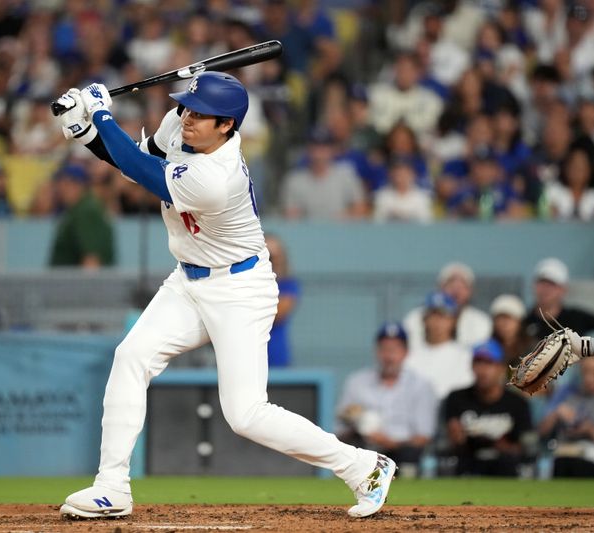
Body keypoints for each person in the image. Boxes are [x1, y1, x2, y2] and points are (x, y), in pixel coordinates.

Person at [53, 73, 396, 519]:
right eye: (188, 108)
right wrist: (89, 134)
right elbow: (138, 161)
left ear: (227, 127)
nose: (188, 118)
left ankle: (364, 466)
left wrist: (99, 116)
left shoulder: (218, 177)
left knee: (246, 414)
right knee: (131, 356)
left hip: (240, 289)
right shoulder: (182, 123)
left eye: (201, 114)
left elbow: (146, 175)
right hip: (188, 280)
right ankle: (112, 486)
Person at [336, 321, 438, 476]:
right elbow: (340, 429)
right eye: (384, 349)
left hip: (402, 454)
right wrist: (355, 422)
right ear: (376, 351)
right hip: (365, 451)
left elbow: (424, 436)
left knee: (409, 455)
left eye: (394, 349)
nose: (389, 356)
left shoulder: (420, 385)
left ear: (405, 352)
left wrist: (391, 443)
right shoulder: (357, 382)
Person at [443, 339, 534, 477]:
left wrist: (504, 446)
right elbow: (452, 439)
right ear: (472, 366)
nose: (483, 370)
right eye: (478, 363)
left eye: (489, 363)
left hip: (505, 469)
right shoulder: (457, 398)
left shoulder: (517, 403)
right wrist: (457, 436)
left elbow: (527, 446)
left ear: (501, 368)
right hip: (468, 466)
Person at [537, 356, 594, 478]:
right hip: (565, 451)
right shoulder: (566, 393)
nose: (589, 378)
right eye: (585, 371)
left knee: (581, 465)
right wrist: (556, 414)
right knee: (562, 462)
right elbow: (541, 431)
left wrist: (592, 431)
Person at [523, 258, 594, 359]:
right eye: (542, 283)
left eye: (552, 284)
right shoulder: (524, 321)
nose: (546, 289)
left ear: (563, 289)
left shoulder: (576, 317)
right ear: (534, 286)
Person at [281, 128, 368, 220]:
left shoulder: (346, 174)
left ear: (332, 149)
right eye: (315, 146)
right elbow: (291, 216)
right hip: (308, 232)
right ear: (308, 149)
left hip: (342, 231)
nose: (319, 153)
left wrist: (342, 218)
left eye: (324, 147)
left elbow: (360, 208)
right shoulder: (295, 180)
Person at [403, 262, 492, 350]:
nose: (456, 292)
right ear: (439, 287)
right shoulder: (415, 318)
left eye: (462, 287)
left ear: (470, 291)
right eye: (450, 285)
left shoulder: (481, 322)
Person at [404, 291, 474, 400]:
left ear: (453, 321)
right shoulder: (409, 355)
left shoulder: (466, 356)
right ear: (424, 320)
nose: (437, 321)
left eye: (443, 315)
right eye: (432, 315)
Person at [48, 164, 114, 268]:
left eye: (61, 182)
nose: (58, 188)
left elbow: (91, 259)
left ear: (73, 184)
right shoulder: (80, 209)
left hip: (73, 283)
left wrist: (88, 284)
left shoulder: (85, 211)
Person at [265, 234, 299, 367]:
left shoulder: (288, 284)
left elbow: (276, 313)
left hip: (275, 356)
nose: (272, 260)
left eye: (274, 256)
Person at [489, 294, 532, 366]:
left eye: (508, 318)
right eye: (499, 319)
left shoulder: (533, 349)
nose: (503, 324)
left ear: (519, 321)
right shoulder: (487, 348)